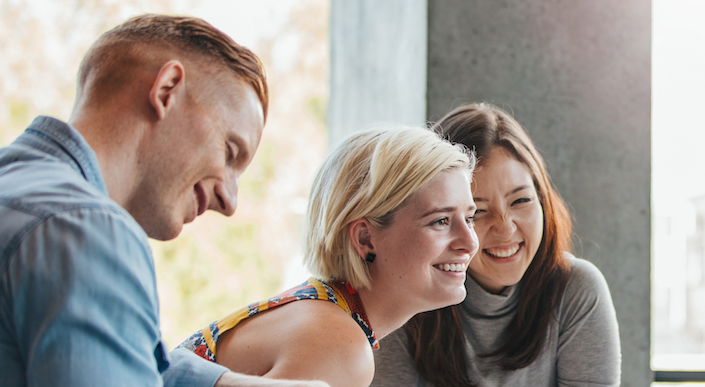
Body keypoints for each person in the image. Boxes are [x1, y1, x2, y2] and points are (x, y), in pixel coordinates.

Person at [0, 14, 323, 387]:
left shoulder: (23, 195)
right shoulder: (88, 231)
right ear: (167, 89)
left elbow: (122, 355)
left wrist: (226, 383)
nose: (229, 202)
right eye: (230, 152)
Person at [178, 125, 478, 386]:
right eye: (440, 221)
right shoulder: (338, 347)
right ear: (364, 238)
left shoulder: (325, 314)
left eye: (470, 218)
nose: (470, 242)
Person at [371, 103, 621, 387]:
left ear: (542, 200)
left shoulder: (576, 289)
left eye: (521, 201)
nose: (505, 228)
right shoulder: (403, 294)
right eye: (476, 212)